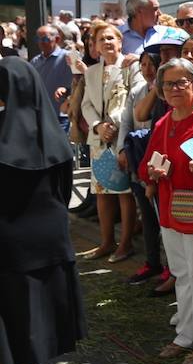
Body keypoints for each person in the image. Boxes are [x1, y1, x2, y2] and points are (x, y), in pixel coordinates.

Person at [0, 58, 87, 364]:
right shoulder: (55, 136)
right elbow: (65, 193)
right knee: (31, 325)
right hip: (47, 245)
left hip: (5, 245)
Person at [139, 59, 193, 364]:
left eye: (181, 82)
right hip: (170, 207)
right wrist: (151, 170)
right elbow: (146, 164)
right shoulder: (164, 122)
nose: (174, 89)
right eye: (168, 84)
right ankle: (187, 332)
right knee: (183, 272)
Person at [81, 21, 142, 262]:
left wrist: (113, 124)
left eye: (110, 38)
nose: (106, 43)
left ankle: (125, 244)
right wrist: (98, 125)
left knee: (123, 192)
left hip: (120, 138)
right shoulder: (91, 71)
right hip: (98, 139)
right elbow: (86, 104)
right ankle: (106, 242)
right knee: (101, 192)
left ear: (120, 41)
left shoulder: (130, 66)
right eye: (101, 40)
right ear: (94, 47)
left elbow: (132, 99)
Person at [117, 51, 167, 287]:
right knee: (146, 216)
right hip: (138, 157)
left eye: (152, 64)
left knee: (163, 215)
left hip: (158, 159)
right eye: (143, 64)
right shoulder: (137, 90)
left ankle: (169, 267)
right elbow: (128, 119)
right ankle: (151, 261)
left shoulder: (166, 90)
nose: (147, 69)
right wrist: (122, 149)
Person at [30, 24, 73, 131]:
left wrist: (67, 91)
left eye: (45, 39)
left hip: (61, 117)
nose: (41, 42)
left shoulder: (68, 58)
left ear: (57, 39)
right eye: (38, 39)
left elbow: (81, 82)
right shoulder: (35, 61)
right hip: (40, 115)